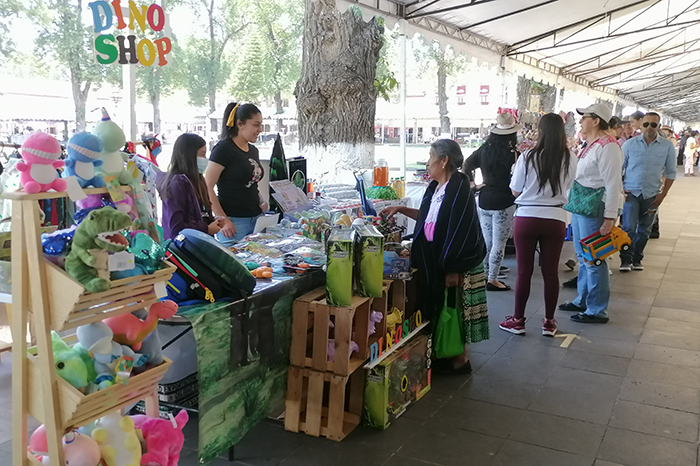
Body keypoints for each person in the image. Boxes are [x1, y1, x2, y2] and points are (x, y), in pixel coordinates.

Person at [381, 139, 487, 374]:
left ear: (444, 160)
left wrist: (454, 268)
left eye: (431, 157)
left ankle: (460, 360)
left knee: (455, 311)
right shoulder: (436, 188)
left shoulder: (459, 187)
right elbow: (429, 217)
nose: (428, 163)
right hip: (438, 260)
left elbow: (461, 229)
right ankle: (443, 353)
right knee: (443, 308)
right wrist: (401, 209)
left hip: (455, 262)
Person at [499, 114, 577, 336]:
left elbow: (515, 190)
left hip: (527, 216)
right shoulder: (570, 158)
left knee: (524, 271)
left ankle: (518, 320)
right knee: (551, 272)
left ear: (540, 131)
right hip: (556, 217)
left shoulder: (528, 156)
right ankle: (549, 322)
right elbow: (569, 186)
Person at [558, 103, 623, 324]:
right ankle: (583, 299)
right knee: (583, 256)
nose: (580, 120)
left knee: (594, 258)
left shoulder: (608, 147)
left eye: (584, 117)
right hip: (581, 206)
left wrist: (610, 216)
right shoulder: (591, 144)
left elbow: (613, 184)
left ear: (596, 121)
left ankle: (597, 309)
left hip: (595, 208)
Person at [463, 113, 520, 291]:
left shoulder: (484, 150)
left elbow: (466, 165)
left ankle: (485, 274)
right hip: (504, 200)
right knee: (499, 243)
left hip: (485, 199)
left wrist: (473, 184)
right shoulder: (514, 155)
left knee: (487, 242)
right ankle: (492, 278)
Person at [619, 112, 676, 271]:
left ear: (658, 126)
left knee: (645, 230)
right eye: (646, 124)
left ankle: (637, 259)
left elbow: (671, 173)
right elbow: (619, 168)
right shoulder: (629, 145)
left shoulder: (667, 146)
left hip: (652, 194)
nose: (649, 127)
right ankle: (625, 259)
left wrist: (663, 194)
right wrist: (620, 189)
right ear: (641, 126)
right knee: (628, 227)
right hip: (631, 193)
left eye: (653, 124)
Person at [205, 102, 267, 244]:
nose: (260, 130)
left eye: (261, 125)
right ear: (240, 124)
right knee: (234, 258)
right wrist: (224, 219)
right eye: (256, 125)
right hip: (234, 222)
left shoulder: (253, 150)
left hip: (257, 218)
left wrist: (261, 200)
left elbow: (250, 182)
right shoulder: (223, 149)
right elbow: (207, 187)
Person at [157, 133, 224, 240]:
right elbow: (176, 227)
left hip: (199, 243)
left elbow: (200, 214)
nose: (205, 159)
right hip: (183, 246)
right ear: (187, 156)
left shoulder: (198, 179)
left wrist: (213, 221)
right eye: (202, 154)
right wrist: (206, 228)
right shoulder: (177, 184)